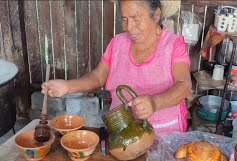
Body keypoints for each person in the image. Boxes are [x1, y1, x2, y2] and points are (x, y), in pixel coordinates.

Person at [41, 0, 191, 133]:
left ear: (156, 15)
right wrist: (67, 87)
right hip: (123, 132)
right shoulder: (117, 43)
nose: (129, 27)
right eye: (124, 19)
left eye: (135, 18)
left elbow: (184, 85)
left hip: (164, 133)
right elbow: (97, 77)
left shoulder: (173, 44)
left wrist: (155, 102)